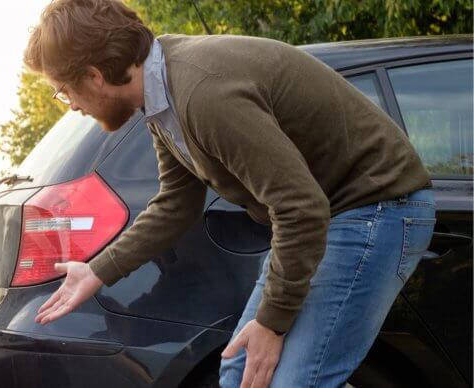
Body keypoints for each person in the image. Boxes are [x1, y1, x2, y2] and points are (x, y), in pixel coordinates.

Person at [24, 1, 435, 387]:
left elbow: (301, 207)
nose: (71, 105)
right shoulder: (162, 97)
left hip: (375, 208)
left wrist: (273, 323)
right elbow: (176, 203)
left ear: (95, 76)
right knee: (240, 368)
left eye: (64, 91)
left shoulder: (205, 93)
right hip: (326, 216)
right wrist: (97, 270)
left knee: (292, 381)